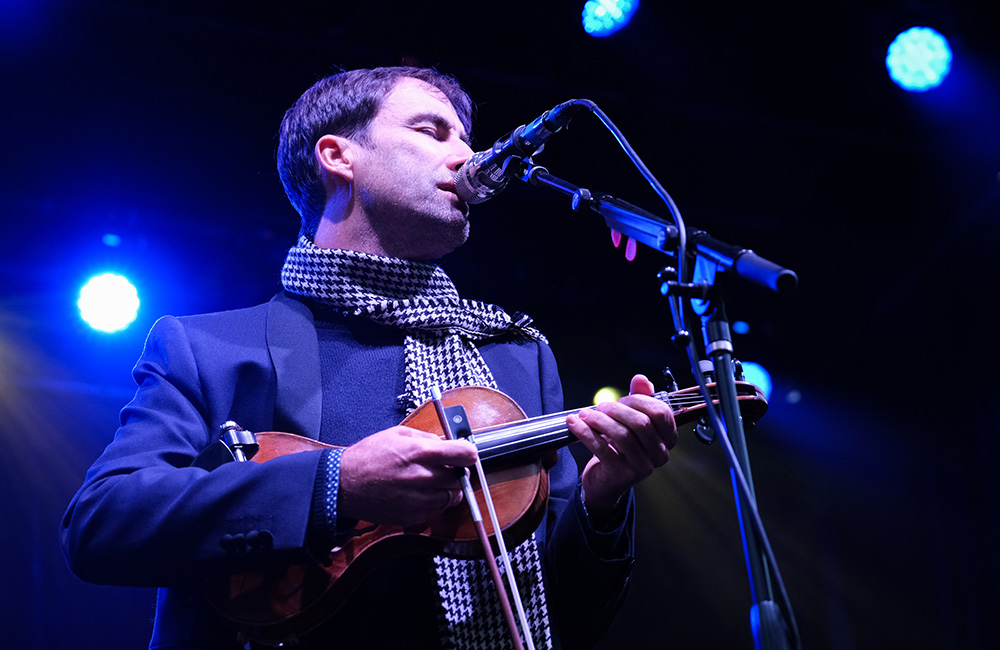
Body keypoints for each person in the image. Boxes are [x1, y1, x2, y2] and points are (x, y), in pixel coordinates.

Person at [60, 66, 677, 650]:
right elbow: (101, 525)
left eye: (466, 137)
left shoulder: (518, 355)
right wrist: (335, 487)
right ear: (337, 157)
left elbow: (564, 620)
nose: (466, 156)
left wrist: (603, 501)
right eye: (431, 131)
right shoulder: (212, 349)